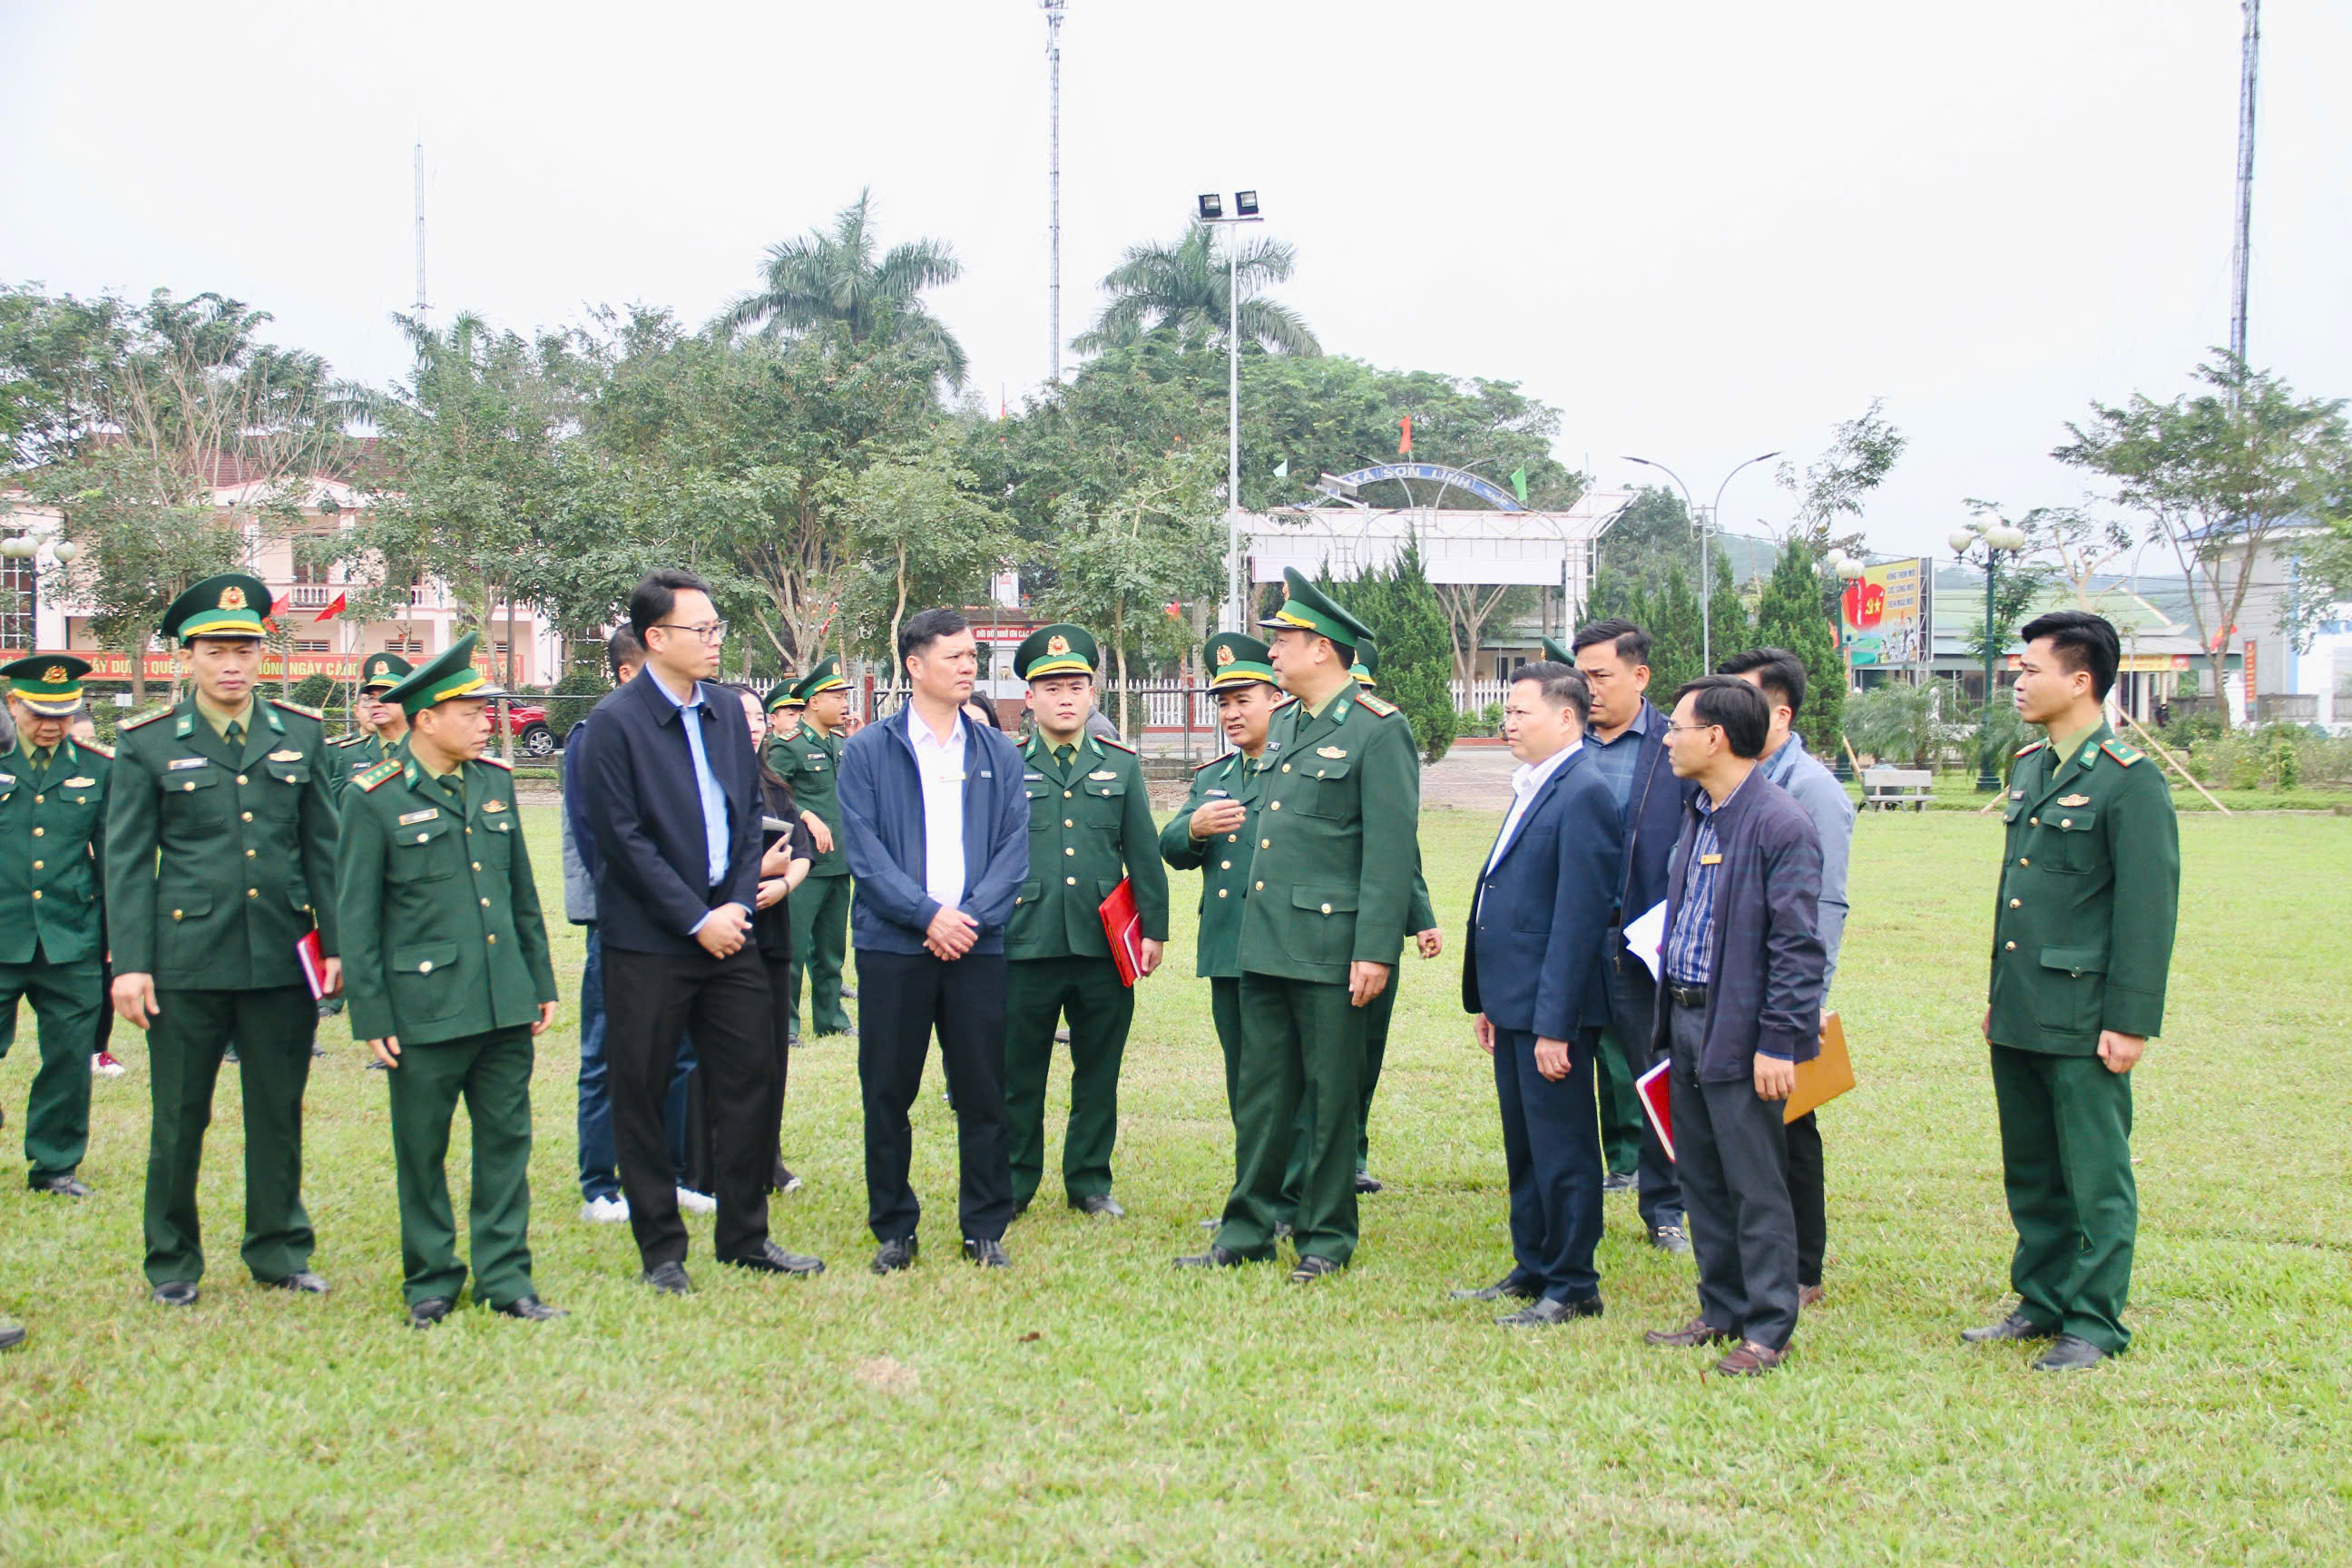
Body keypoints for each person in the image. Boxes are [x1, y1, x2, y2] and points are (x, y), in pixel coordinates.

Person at [582, 569, 825, 1292]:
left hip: (733, 931)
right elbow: (620, 841)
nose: (715, 641)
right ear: (655, 639)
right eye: (702, 630)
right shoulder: (613, 725)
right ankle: (662, 1250)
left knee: (752, 1077)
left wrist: (738, 905)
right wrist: (696, 917)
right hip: (653, 941)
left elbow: (748, 814)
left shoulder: (723, 712)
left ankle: (745, 1235)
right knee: (645, 1088)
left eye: (718, 628)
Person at [105, 573, 343, 1307]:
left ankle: (279, 1249)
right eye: (216, 650)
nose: (232, 664)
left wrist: (335, 946)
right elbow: (125, 861)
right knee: (180, 1118)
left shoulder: (300, 734)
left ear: (262, 654)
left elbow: (323, 849)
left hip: (279, 957)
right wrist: (131, 966)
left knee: (278, 1111)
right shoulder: (147, 744)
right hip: (187, 962)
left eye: (244, 648)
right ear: (188, 657)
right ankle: (173, 1262)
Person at [1177, 568, 1420, 1282]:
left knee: (1330, 1097)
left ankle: (1324, 1237)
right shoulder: (1282, 724)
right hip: (1264, 944)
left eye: (1284, 638)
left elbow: (1388, 851)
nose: (1273, 649)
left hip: (1330, 948)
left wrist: (1375, 949)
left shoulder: (1380, 730)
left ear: (1324, 648)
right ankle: (1247, 1228)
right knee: (1261, 1097)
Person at [1966, 610, 2177, 1372]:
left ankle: (2092, 1321)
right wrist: (2000, 990)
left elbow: (2147, 914)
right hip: (2023, 1005)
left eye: (2032, 670)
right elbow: (2014, 896)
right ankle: (2042, 1299)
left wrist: (2130, 1022)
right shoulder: (2030, 766)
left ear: (2080, 681)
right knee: (2031, 1165)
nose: (2018, 681)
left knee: (2094, 1173)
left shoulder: (2129, 781)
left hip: (2086, 1016)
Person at [336, 634, 564, 1327]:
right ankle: (432, 1278)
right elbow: (358, 916)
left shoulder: (494, 781)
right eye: (469, 710)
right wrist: (372, 1017)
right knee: (423, 1149)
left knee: (504, 1143)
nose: (484, 720)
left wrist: (540, 981)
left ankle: (506, 1277)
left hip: (502, 998)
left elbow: (520, 891)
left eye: (484, 709)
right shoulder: (371, 797)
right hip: (425, 1006)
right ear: (426, 718)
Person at [1640, 676, 1826, 1377]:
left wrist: (1780, 1040)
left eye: (1678, 726)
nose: (1667, 737)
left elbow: (1796, 946)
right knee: (1705, 1179)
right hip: (1685, 1020)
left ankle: (1768, 1328)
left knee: (1755, 1182)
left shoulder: (1779, 821)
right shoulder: (1702, 812)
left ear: (1715, 737)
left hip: (1742, 1030)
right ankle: (1720, 1308)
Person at [837, 608, 1028, 1273]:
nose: (969, 666)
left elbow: (1012, 850)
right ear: (914, 665)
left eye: (973, 655)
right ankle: (894, 1227)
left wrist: (967, 918)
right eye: (954, 656)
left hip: (977, 945)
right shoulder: (868, 750)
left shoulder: (998, 752)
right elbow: (865, 853)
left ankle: (984, 1226)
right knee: (888, 1090)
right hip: (895, 947)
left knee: (982, 1090)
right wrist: (927, 916)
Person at [1454, 662, 1622, 1325]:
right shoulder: (1537, 783)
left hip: (1554, 1011)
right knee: (1525, 1145)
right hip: (1515, 1000)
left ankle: (1574, 1281)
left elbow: (1578, 920)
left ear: (1567, 718)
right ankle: (1535, 1262)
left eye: (1521, 711)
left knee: (1565, 1147)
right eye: (1508, 711)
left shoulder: (1584, 791)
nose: (1508, 722)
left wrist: (1555, 1024)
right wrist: (1495, 1002)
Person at [1002, 623, 1169, 1221]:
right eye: (1051, 687)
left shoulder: (1119, 766)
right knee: (1019, 1074)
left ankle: (1089, 1182)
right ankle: (1016, 1182)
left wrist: (1153, 929)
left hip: (1103, 945)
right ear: (1030, 698)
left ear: (1092, 693)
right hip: (1027, 939)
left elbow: (1142, 850)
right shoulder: (1005, 763)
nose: (1065, 697)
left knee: (1098, 1071)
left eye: (1075, 685)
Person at [1720, 647, 1854, 1308]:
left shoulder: (1810, 790)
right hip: (1730, 992)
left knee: (1792, 1128)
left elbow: (1823, 907)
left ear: (1780, 712)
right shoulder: (1732, 780)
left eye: (1739, 701)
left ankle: (1804, 1269)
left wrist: (1802, 1007)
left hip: (1783, 994)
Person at [1563, 623, 1692, 1253]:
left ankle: (1665, 1208)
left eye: (1600, 676)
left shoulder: (1678, 748)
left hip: (1646, 949)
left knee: (1658, 1078)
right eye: (1580, 675)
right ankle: (1570, 1208)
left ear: (1639, 677)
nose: (1586, 689)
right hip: (1571, 945)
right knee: (1561, 1075)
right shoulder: (1565, 746)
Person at [562, 628, 693, 1224]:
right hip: (620, 921)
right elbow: (600, 841)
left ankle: (672, 1172)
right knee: (609, 1051)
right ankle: (600, 1184)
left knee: (680, 1051)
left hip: (681, 918)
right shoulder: (596, 735)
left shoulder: (675, 730)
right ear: (624, 673)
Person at [1310, 635, 1440, 1195]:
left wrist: (1422, 917)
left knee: (1364, 1051)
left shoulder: (1381, 736)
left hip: (1371, 924)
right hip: (1318, 921)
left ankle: (1353, 1152)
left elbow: (1397, 851)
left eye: (1363, 691)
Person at [1160, 633, 1283, 1150]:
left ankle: (1293, 1191)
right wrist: (1194, 829)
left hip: (1285, 948)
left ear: (1278, 699)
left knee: (1284, 1076)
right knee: (1242, 1076)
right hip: (1229, 947)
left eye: (1243, 700)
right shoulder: (1215, 776)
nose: (1231, 714)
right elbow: (1170, 844)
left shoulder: (1299, 768)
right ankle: (1256, 1192)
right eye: (1224, 704)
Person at [1, 657, 109, 1197]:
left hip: (70, 938)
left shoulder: (100, 768)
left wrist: (119, 945)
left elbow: (117, 862)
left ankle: (55, 1165)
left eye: (63, 714)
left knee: (68, 1058)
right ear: (13, 704)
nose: (51, 724)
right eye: (40, 712)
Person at [731, 683, 814, 1193]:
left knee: (770, 1054)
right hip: (723, 936)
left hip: (771, 934)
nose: (754, 724)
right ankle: (717, 1162)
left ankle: (769, 1159)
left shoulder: (776, 787)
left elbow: (802, 851)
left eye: (758, 716)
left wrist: (783, 881)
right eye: (741, 716)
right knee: (728, 1057)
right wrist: (753, 873)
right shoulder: (705, 785)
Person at [767, 660, 856, 1043]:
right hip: (803, 864)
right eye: (836, 697)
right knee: (791, 950)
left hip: (839, 863)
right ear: (814, 702)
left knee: (832, 951)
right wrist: (806, 815)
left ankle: (831, 1018)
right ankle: (784, 1024)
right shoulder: (789, 747)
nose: (844, 703)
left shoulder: (840, 745)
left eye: (844, 696)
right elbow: (771, 795)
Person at [64, 710, 124, 1078]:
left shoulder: (102, 774)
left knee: (100, 975)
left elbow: (110, 847)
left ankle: (96, 1050)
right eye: (76, 739)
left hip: (89, 895)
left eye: (90, 740)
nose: (83, 748)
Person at [327, 652, 411, 804]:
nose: (376, 703)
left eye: (387, 695)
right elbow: (332, 807)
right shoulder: (351, 753)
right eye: (372, 697)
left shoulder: (428, 747)